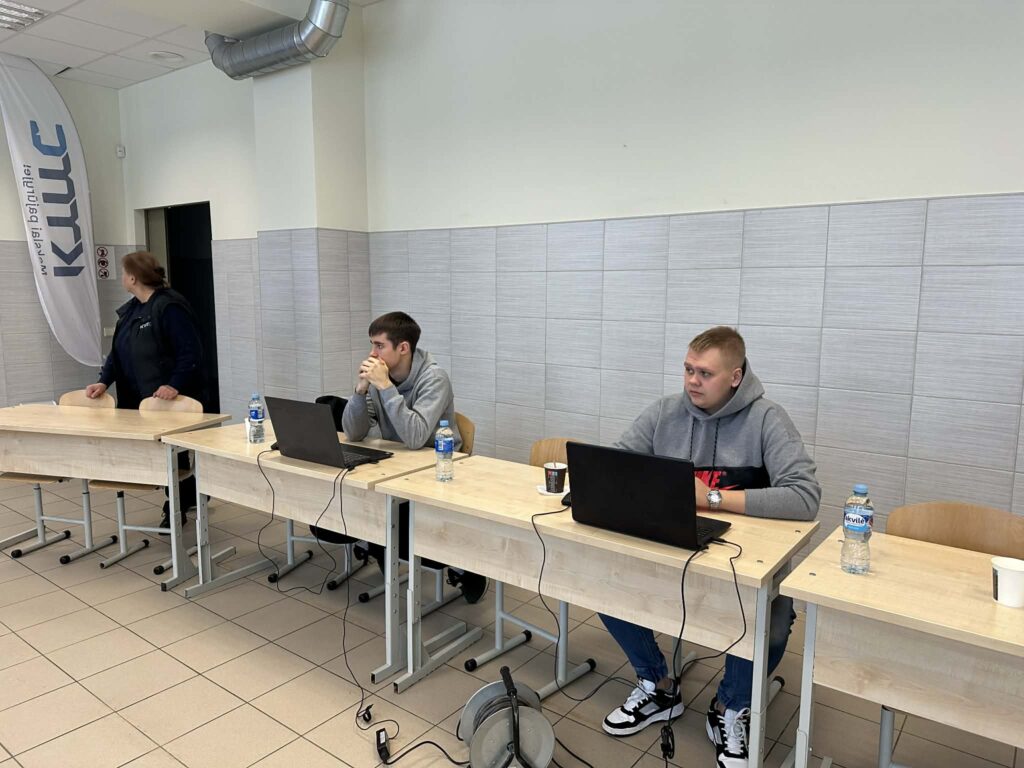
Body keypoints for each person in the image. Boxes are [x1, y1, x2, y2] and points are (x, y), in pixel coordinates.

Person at [598, 326, 820, 768]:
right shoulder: (664, 413)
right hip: (673, 551)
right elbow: (619, 464)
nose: (692, 381)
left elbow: (805, 497)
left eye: (705, 373)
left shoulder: (767, 419)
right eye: (687, 370)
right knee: (600, 583)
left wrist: (712, 498)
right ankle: (658, 685)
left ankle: (729, 706)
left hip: (748, 565)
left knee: (773, 625)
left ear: (735, 377)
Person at [342, 311, 488, 603]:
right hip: (398, 465)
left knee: (401, 519)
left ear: (403, 348)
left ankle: (465, 567)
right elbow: (353, 432)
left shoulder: (434, 378)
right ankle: (382, 547)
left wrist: (386, 388)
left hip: (438, 469)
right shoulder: (380, 379)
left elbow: (415, 437)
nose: (372, 354)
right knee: (362, 498)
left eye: (379, 345)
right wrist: (360, 391)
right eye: (371, 345)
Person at [85, 251, 207, 531]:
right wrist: (104, 381)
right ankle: (187, 494)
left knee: (172, 456)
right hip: (136, 397)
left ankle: (176, 507)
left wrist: (174, 384)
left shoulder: (169, 307)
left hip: (167, 401)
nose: (122, 278)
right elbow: (117, 353)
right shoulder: (131, 310)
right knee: (156, 457)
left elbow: (191, 352)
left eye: (123, 273)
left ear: (133, 278)